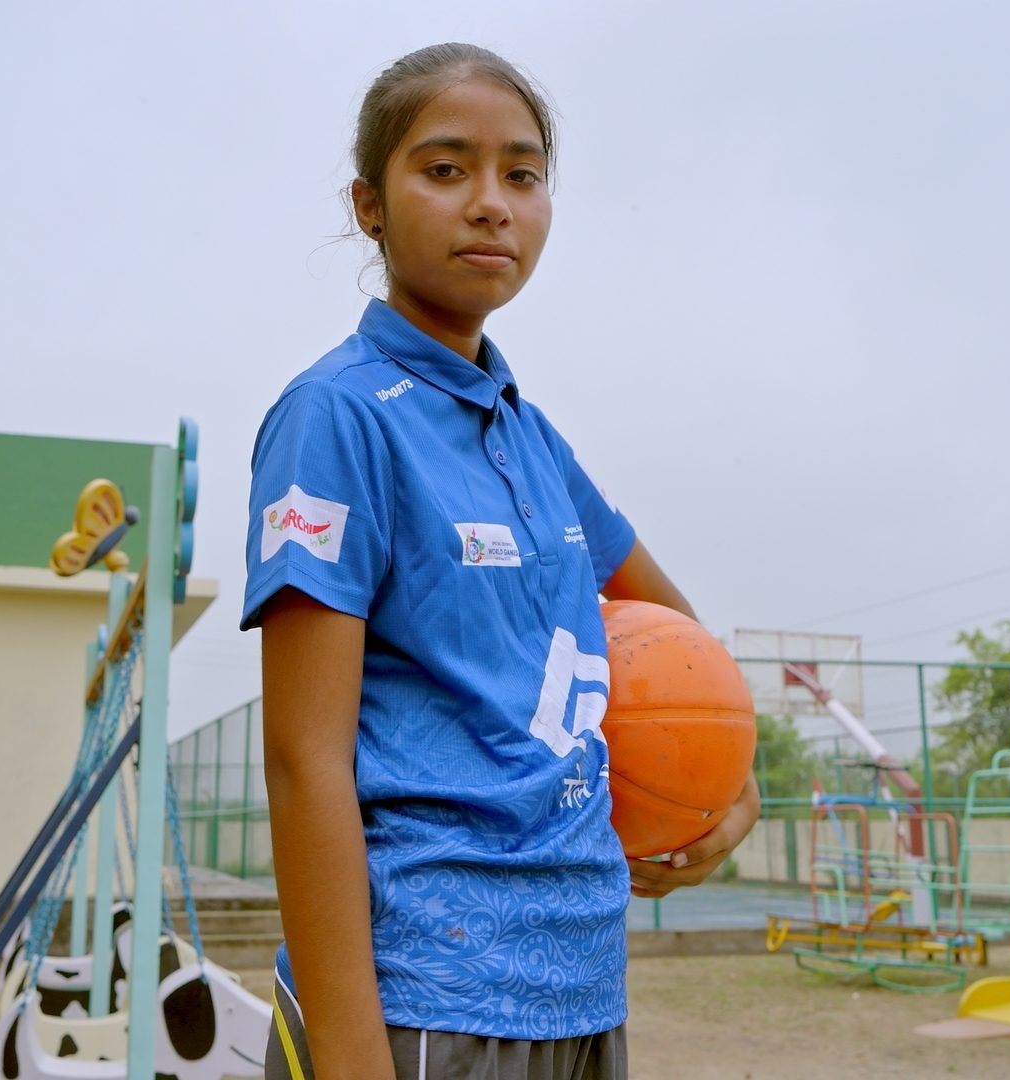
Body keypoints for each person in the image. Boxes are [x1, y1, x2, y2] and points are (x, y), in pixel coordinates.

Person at [241, 42, 760, 1080]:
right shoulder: (335, 418)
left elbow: (686, 646)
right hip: (424, 996)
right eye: (445, 169)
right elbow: (306, 763)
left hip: (581, 984)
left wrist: (727, 791)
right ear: (369, 205)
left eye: (522, 175)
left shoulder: (532, 439)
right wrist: (348, 1057)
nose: (492, 204)